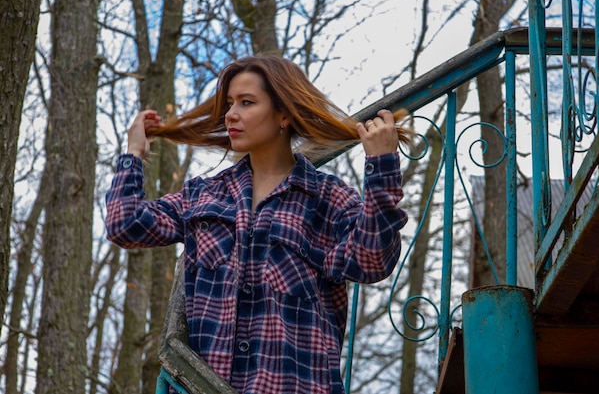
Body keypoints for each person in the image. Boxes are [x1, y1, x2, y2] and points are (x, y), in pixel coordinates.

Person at [105, 55, 410, 394]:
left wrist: (381, 166)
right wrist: (133, 154)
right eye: (230, 103)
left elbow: (372, 262)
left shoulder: (328, 199)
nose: (231, 114)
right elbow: (124, 223)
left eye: (246, 102)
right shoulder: (203, 196)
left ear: (284, 114)